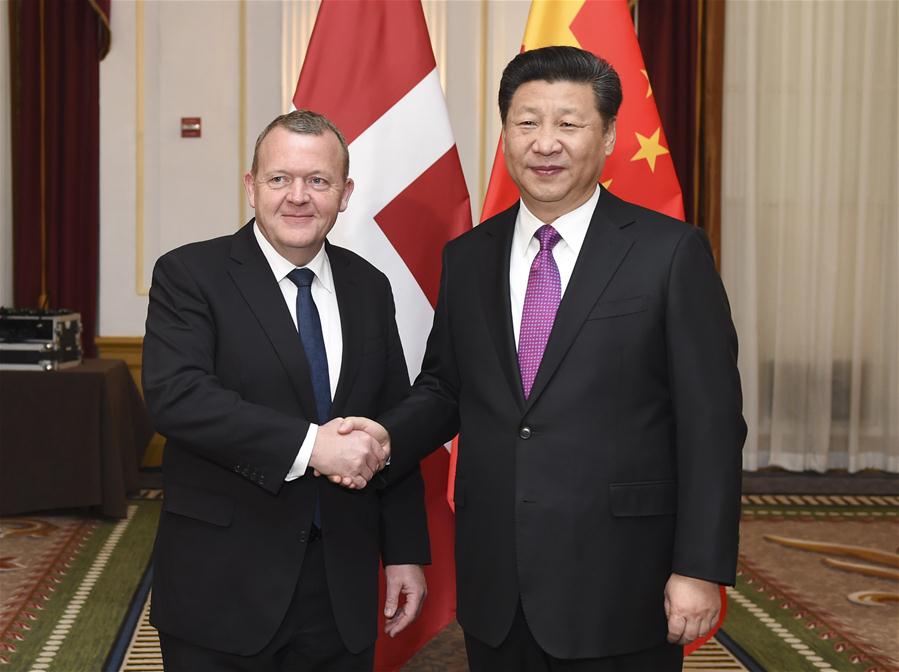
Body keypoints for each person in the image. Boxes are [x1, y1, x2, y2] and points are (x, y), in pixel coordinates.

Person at [340, 46, 746, 671]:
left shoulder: (670, 254)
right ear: (504, 134)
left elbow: (712, 423)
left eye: (568, 123)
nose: (545, 143)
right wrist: (385, 435)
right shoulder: (469, 257)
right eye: (527, 122)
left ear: (608, 136)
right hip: (497, 581)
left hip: (621, 578)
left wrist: (698, 567)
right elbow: (448, 387)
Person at [142, 110, 429, 671]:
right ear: (251, 187)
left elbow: (391, 423)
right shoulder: (190, 274)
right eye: (280, 179)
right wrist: (311, 446)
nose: (298, 197)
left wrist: (404, 554)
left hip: (340, 585)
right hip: (222, 585)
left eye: (318, 181)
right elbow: (178, 398)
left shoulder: (369, 286)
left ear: (344, 194)